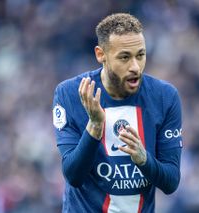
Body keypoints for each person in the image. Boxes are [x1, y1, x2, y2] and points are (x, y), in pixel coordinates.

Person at [52, 13, 183, 213]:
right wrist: (95, 125)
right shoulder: (71, 93)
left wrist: (144, 160)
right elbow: (73, 176)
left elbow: (171, 181)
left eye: (140, 55)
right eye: (124, 57)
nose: (135, 67)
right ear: (100, 54)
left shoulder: (165, 97)